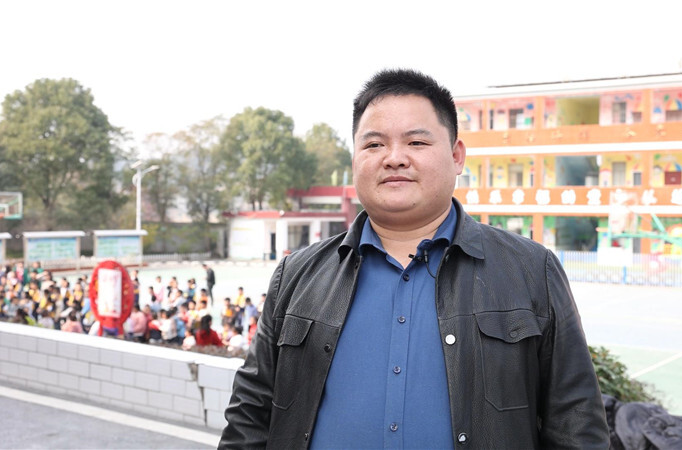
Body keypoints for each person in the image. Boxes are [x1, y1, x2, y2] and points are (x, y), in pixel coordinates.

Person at [220, 69, 608, 448]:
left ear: (456, 156)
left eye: (416, 142)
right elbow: (249, 419)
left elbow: (577, 426)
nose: (394, 158)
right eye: (374, 145)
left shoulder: (531, 270)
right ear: (354, 159)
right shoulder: (297, 275)